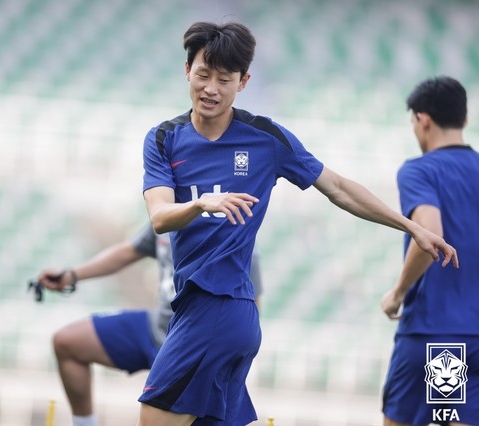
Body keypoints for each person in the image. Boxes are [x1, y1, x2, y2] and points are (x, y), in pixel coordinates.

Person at [140, 21, 459, 426]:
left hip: (217, 308)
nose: (211, 88)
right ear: (188, 71)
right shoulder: (164, 139)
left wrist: (410, 226)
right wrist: (201, 204)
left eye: (225, 79)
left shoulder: (265, 138)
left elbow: (339, 188)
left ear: (244, 82)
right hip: (201, 310)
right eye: (203, 75)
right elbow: (159, 217)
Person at [37, 223, 264, 426]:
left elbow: (252, 307)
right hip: (158, 328)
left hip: (195, 346)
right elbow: (129, 251)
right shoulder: (165, 216)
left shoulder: (233, 233)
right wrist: (72, 275)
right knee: (68, 342)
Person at [380, 76, 479, 426]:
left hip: (439, 332)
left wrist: (398, 293)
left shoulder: (420, 170)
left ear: (422, 119)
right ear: (464, 120)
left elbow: (430, 236)